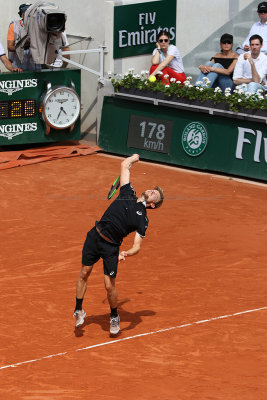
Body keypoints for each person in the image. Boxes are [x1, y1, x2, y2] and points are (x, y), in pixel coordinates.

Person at [73, 154, 164, 336]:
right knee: (84, 273)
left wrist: (127, 253)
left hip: (110, 248)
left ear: (152, 205)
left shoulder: (143, 220)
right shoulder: (127, 191)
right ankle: (79, 310)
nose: (152, 191)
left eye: (156, 194)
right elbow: (124, 165)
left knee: (109, 286)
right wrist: (135, 157)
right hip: (94, 236)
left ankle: (114, 316)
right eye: (153, 190)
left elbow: (137, 246)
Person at [7, 3, 41, 71]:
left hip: (35, 66)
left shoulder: (39, 25)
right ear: (21, 15)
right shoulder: (14, 26)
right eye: (26, 13)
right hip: (18, 66)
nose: (29, 16)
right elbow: (10, 46)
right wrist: (22, 47)